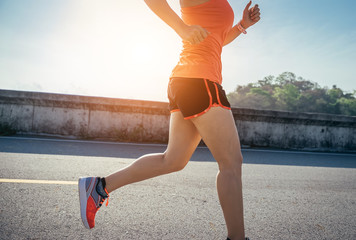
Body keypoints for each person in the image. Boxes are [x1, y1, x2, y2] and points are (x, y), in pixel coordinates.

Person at [78, 0, 261, 239]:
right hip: (200, 82)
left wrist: (241, 25)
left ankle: (99, 187)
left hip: (187, 81)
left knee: (172, 160)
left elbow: (215, 40)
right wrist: (181, 28)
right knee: (231, 163)